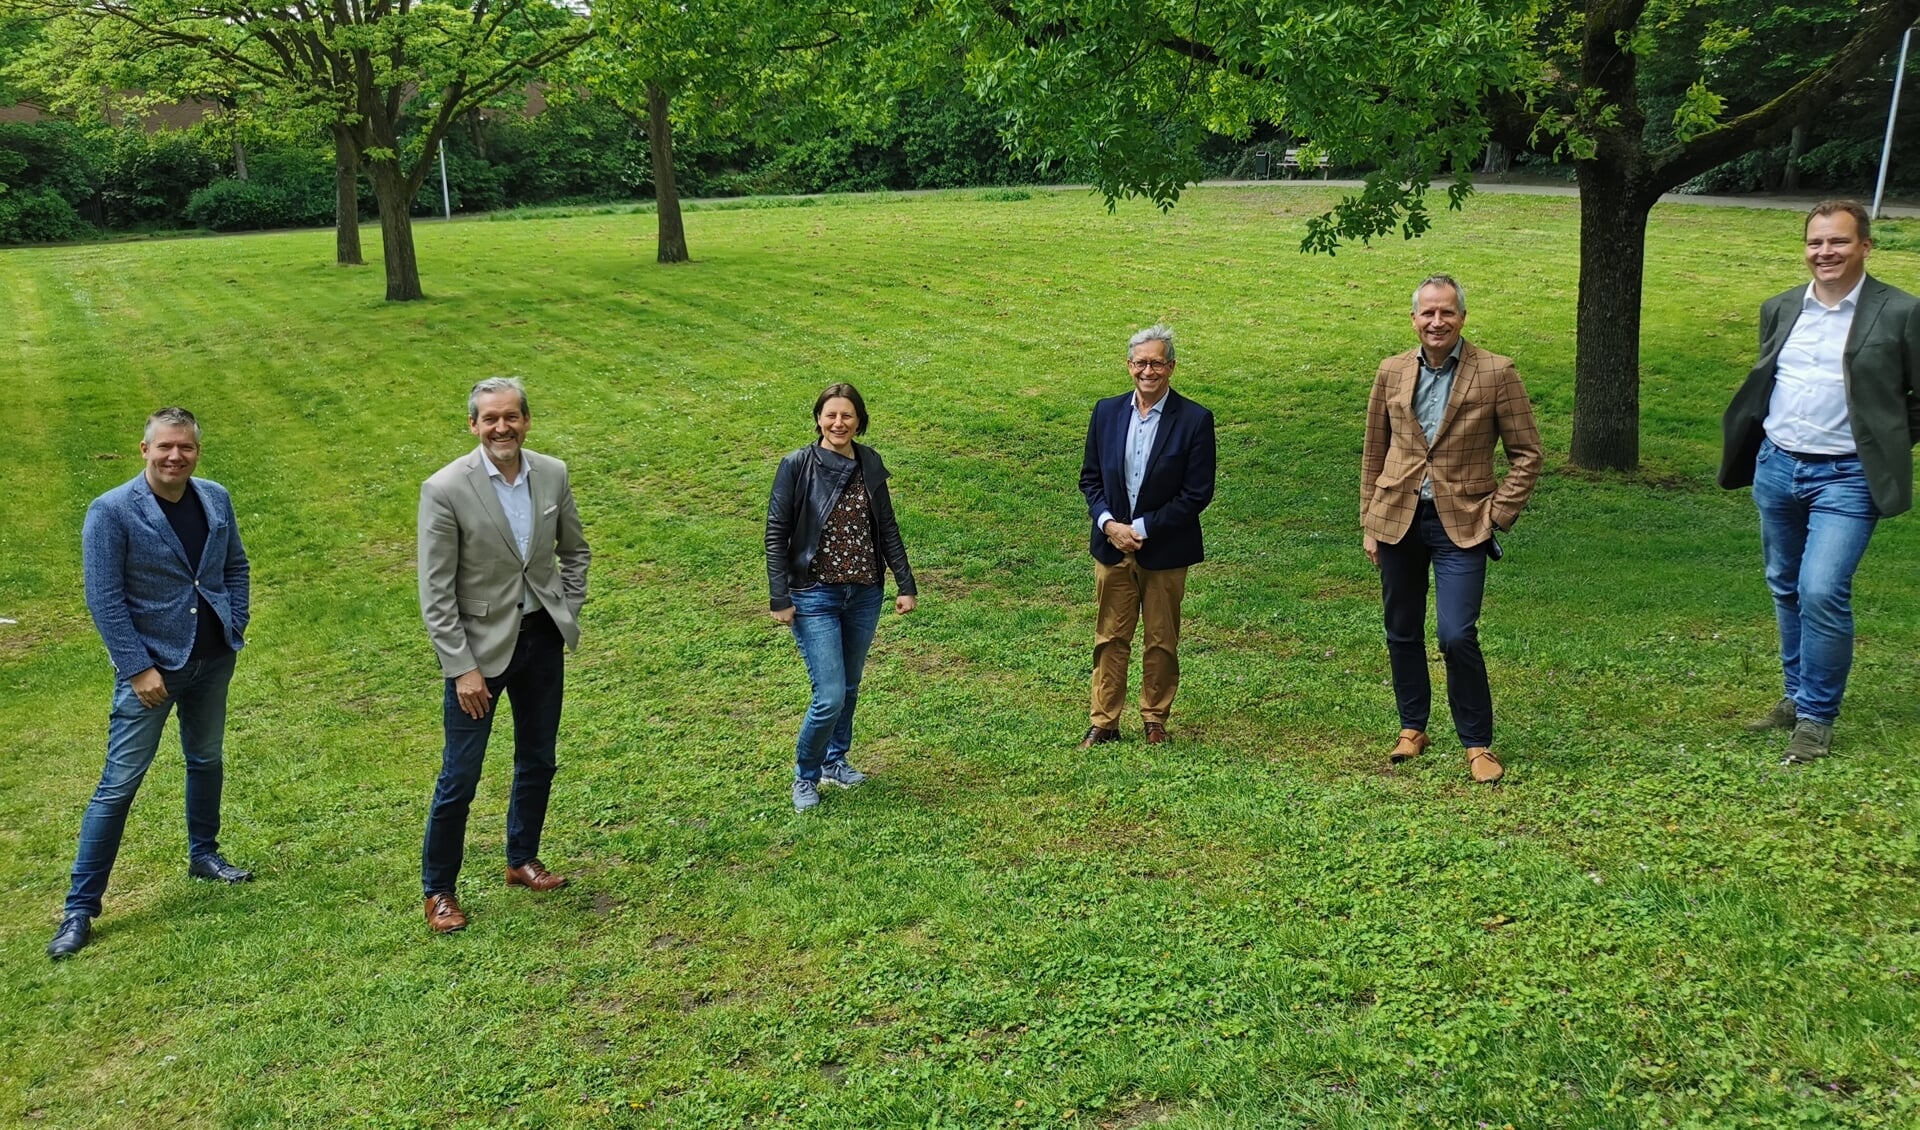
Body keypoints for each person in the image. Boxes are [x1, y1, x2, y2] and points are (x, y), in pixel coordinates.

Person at [1719, 200, 1920, 765]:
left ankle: (1815, 719)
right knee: (1785, 582)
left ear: (1865, 246)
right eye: (1816, 243)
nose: (1825, 253)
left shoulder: (1901, 312)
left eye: (1838, 242)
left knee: (1822, 589)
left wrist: (1887, 442)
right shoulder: (1781, 308)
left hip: (1849, 477)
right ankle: (1794, 695)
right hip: (1779, 466)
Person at [49, 407, 253, 960]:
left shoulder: (214, 496)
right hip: (152, 672)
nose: (174, 457)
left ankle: (204, 855)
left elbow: (235, 566)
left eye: (185, 447)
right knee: (119, 785)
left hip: (213, 659)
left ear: (196, 451)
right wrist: (138, 668)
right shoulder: (111, 511)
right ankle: (80, 908)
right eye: (164, 447)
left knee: (206, 760)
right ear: (144, 450)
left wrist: (236, 622)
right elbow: (104, 597)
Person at [417, 377, 590, 933]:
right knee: (460, 776)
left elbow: (575, 550)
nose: (501, 427)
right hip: (478, 655)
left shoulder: (553, 473)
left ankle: (522, 859)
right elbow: (436, 593)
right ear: (473, 425)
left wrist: (568, 605)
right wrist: (461, 667)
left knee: (538, 758)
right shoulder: (445, 489)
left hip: (541, 640)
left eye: (511, 416)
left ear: (526, 420)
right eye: (490, 418)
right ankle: (439, 891)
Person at [1361, 275, 1542, 783]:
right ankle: (1412, 727)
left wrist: (1497, 515)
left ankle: (1477, 742)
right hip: (1397, 518)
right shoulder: (1391, 371)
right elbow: (1375, 451)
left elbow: (1528, 455)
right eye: (1427, 313)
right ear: (1414, 319)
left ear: (1462, 317)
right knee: (1401, 629)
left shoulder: (1496, 372)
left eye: (1447, 313)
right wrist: (1369, 522)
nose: (1437, 321)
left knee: (1456, 633)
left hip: (1463, 522)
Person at [765, 382, 917, 813]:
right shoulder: (796, 465)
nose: (838, 423)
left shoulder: (869, 461)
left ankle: (835, 761)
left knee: (849, 687)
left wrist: (905, 584)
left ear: (859, 421)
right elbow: (776, 534)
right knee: (829, 694)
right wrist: (780, 597)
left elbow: (886, 527)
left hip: (864, 593)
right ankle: (805, 776)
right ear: (818, 418)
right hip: (814, 594)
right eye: (830, 415)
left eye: (847, 415)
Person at [1077, 324, 1217, 749]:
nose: (1148, 370)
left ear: (1171, 366)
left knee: (1161, 639)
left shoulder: (1194, 419)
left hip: (1165, 551)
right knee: (1110, 637)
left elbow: (1197, 493)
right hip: (1111, 547)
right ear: (1128, 366)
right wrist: (1108, 524)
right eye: (1141, 362)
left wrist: (1141, 528)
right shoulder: (1106, 412)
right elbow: (1090, 479)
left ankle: (1155, 718)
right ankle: (1104, 722)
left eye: (1157, 362)